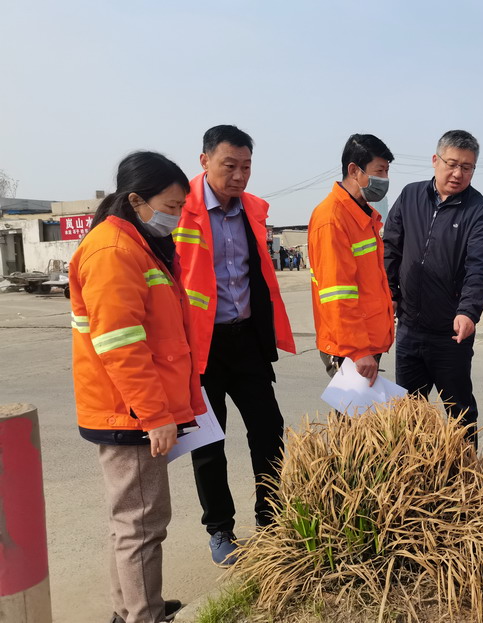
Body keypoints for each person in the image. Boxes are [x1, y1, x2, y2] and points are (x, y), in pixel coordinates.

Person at [70, 151, 205, 623]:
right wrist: (156, 415)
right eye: (170, 205)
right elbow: (121, 346)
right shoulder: (114, 251)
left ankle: (127, 608)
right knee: (143, 524)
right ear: (135, 200)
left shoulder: (134, 243)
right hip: (129, 411)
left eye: (181, 206)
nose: (176, 216)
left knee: (129, 522)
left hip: (128, 408)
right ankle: (144, 616)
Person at [173, 125, 296, 566]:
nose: (239, 175)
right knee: (208, 443)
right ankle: (220, 529)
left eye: (246, 166)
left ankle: (272, 518)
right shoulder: (178, 209)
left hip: (246, 340)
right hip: (200, 348)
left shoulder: (253, 211)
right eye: (230, 165)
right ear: (204, 161)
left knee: (269, 429)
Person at [383, 130, 483, 446]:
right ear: (435, 160)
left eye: (467, 167)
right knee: (409, 413)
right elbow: (390, 248)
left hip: (451, 334)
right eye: (452, 164)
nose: (458, 173)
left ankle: (466, 472)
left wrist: (468, 312)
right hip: (409, 328)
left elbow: (479, 267)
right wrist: (390, 294)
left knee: (459, 413)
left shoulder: (479, 211)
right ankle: (413, 473)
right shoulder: (410, 196)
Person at [308, 134, 395, 382]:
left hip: (366, 342)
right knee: (353, 408)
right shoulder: (331, 218)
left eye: (387, 172)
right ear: (354, 170)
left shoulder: (361, 216)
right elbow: (337, 293)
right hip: (351, 348)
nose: (385, 179)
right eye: (379, 171)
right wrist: (358, 351)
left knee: (367, 408)